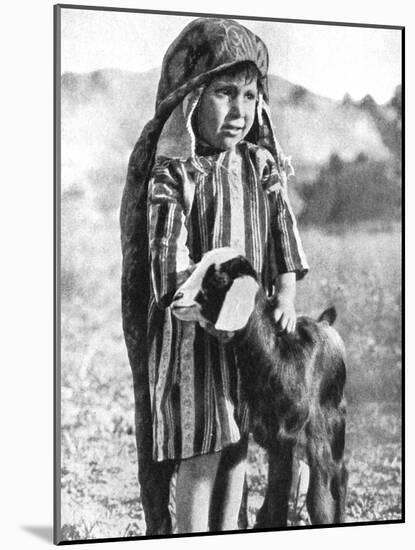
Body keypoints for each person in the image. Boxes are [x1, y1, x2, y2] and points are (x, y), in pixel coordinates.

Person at [121, 17, 308, 535]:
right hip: (192, 337)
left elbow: (281, 236)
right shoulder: (175, 169)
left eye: (250, 96)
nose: (240, 111)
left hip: (248, 338)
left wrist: (285, 293)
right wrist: (210, 302)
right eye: (225, 93)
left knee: (237, 446)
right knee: (201, 448)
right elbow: (166, 261)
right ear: (190, 98)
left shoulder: (260, 165)